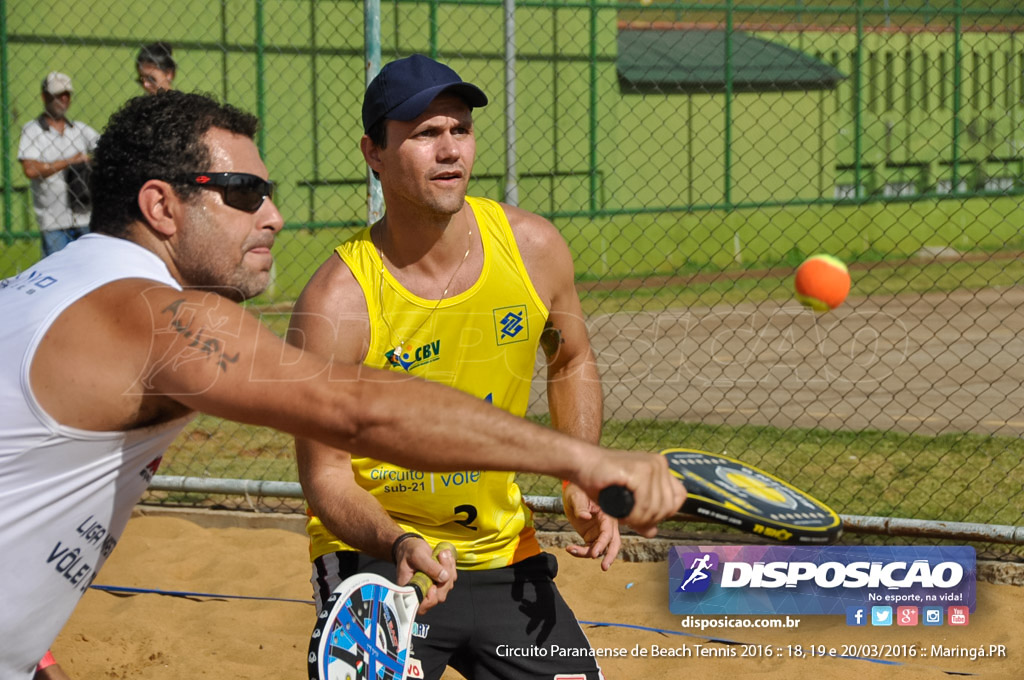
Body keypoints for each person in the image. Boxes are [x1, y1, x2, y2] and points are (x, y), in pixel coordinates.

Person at [0, 90, 684, 680]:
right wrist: (585, 461)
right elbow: (353, 409)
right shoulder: (156, 319)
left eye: (268, 194)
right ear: (161, 206)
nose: (273, 217)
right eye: (242, 194)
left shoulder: (46, 291)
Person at [287, 54, 619, 680]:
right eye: (423, 133)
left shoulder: (533, 248)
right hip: (381, 557)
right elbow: (325, 476)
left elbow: (571, 356)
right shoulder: (337, 300)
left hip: (500, 552)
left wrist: (582, 472)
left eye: (460, 130)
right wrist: (398, 543)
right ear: (374, 154)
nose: (449, 150)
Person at [17, 71, 100, 256]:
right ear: (45, 97)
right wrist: (70, 161)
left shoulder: (78, 129)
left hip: (84, 215)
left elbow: (106, 148)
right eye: (57, 95)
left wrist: (90, 162)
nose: (63, 99)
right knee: (58, 272)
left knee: (88, 267)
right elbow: (30, 169)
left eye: (67, 94)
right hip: (52, 220)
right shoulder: (33, 130)